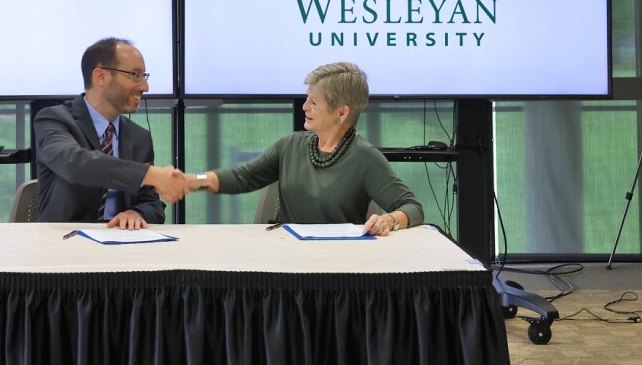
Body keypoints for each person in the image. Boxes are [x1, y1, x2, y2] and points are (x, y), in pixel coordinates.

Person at [186, 62, 423, 235]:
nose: (305, 107)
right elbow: (242, 177)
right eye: (306, 99)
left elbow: (412, 207)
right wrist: (191, 180)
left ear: (341, 113)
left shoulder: (365, 158)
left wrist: (389, 221)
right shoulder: (291, 145)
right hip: (287, 260)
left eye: (314, 102)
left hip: (340, 266)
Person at [34, 37, 187, 229]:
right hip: (63, 246)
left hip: (121, 247)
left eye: (143, 76)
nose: (144, 87)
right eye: (134, 75)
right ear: (100, 77)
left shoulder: (139, 137)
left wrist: (137, 212)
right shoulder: (54, 120)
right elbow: (73, 163)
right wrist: (149, 174)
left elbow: (152, 204)